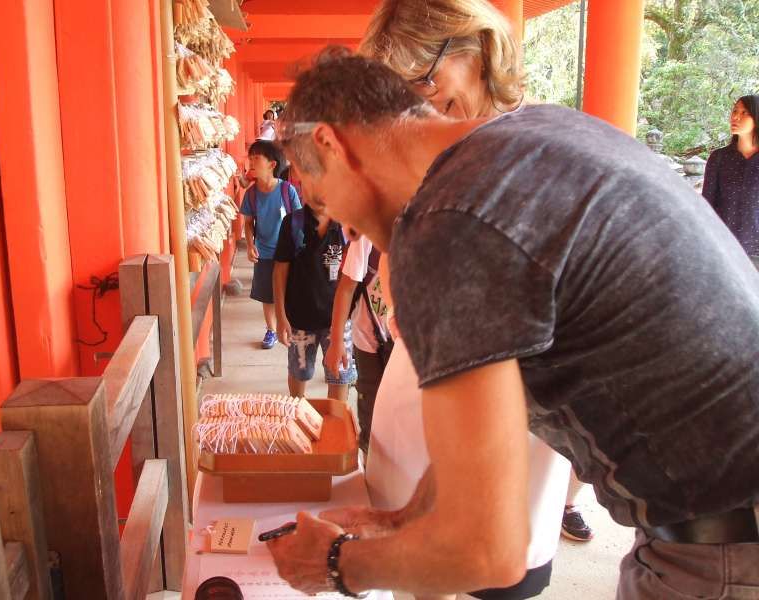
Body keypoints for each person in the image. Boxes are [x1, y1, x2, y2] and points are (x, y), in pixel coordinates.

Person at [267, 52, 759, 599]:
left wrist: (333, 562)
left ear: (333, 146)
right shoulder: (532, 131)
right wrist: (406, 518)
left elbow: (485, 553)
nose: (334, 218)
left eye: (320, 197)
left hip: (728, 551)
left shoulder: (446, 224)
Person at [359, 2, 575, 595]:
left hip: (506, 430)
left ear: (478, 52)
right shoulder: (435, 154)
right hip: (419, 410)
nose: (415, 104)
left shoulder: (533, 153)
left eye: (424, 79)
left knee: (491, 566)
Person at [272, 194, 356, 402]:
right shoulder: (292, 224)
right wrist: (280, 316)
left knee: (339, 376)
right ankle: (298, 413)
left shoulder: (347, 226)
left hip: (337, 321)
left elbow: (354, 277)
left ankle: (335, 424)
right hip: (300, 320)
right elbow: (279, 272)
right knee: (300, 371)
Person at [324, 236, 392, 457]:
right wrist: (336, 343)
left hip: (406, 344)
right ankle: (370, 465)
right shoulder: (366, 236)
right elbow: (346, 288)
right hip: (367, 337)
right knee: (370, 407)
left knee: (403, 414)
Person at [239, 140, 301, 349]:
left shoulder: (287, 190)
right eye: (251, 158)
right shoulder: (252, 194)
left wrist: (300, 247)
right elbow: (248, 223)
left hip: (287, 252)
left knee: (290, 290)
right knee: (268, 294)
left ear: (272, 164)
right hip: (264, 252)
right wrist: (249, 245)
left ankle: (290, 324)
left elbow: (298, 220)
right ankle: (271, 330)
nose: (251, 162)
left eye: (257, 158)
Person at [703, 94, 759, 265]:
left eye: (744, 113)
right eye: (735, 111)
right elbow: (707, 205)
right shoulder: (719, 158)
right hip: (723, 248)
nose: (735, 117)